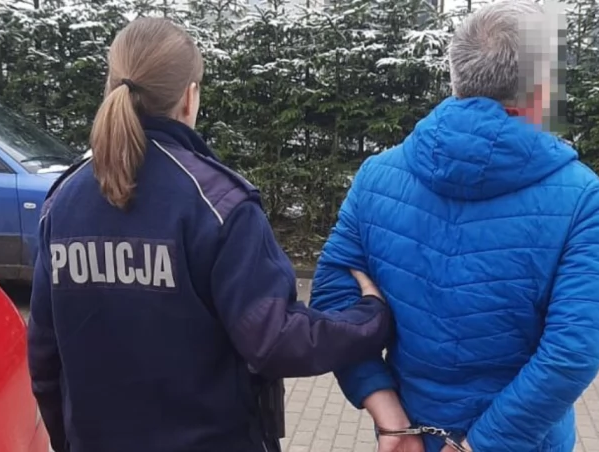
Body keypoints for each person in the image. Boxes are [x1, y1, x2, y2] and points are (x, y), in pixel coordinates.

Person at [27, 17, 394, 452]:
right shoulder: (218, 204)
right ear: (189, 96)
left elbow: (45, 358)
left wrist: (66, 440)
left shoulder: (62, 202)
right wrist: (370, 318)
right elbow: (275, 340)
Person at [309, 1, 599, 451]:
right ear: (542, 89)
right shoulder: (584, 199)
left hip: (410, 437)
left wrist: (386, 411)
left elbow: (334, 301)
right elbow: (572, 351)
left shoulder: (377, 176)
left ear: (456, 76)